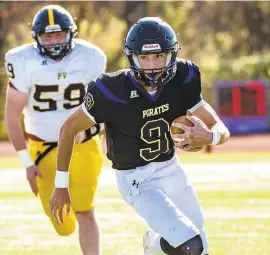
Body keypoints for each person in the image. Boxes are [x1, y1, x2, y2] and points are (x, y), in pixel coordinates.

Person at [50, 17, 230, 255]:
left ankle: (153, 245)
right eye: (144, 58)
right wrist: (61, 186)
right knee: (191, 245)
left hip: (170, 168)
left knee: (198, 240)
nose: (152, 65)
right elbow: (68, 128)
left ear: (172, 54)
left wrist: (210, 137)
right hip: (136, 180)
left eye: (158, 56)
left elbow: (221, 128)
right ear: (132, 57)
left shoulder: (183, 77)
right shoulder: (111, 90)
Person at [4, 5, 106, 255]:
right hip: (43, 147)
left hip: (83, 144)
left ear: (71, 33)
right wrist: (26, 162)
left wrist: (95, 127)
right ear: (37, 38)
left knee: (85, 209)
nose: (54, 41)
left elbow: (105, 104)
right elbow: (11, 116)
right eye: (48, 36)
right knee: (63, 225)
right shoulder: (22, 60)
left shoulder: (91, 56)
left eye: (59, 35)